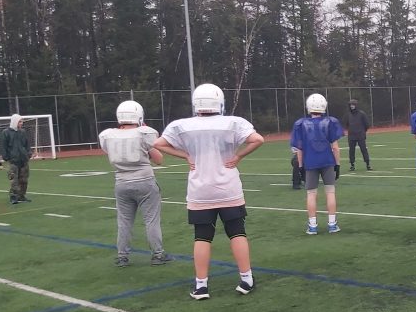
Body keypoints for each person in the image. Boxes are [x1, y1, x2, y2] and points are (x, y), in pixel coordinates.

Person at [154, 83, 265, 300]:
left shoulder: (181, 125)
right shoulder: (232, 122)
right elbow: (258, 139)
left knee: (202, 237)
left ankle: (201, 286)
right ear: (219, 102)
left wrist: (185, 155)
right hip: (228, 187)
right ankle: (246, 279)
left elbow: (159, 144)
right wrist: (239, 156)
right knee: (237, 232)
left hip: (200, 189)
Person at [98, 100, 173, 268]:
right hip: (144, 181)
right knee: (151, 220)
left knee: (124, 222)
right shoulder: (143, 134)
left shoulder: (108, 135)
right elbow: (159, 159)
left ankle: (122, 256)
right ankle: (158, 254)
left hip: (121, 182)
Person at [291, 93, 343, 236]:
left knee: (311, 194)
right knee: (330, 192)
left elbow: (299, 149)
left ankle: (312, 225)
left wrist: (300, 166)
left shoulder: (301, 124)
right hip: (327, 161)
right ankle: (332, 224)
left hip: (310, 162)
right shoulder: (330, 122)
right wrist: (337, 164)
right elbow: (336, 147)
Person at [1, 114, 31, 205]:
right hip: (13, 160)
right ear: (15, 121)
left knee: (24, 179)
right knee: (14, 180)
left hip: (23, 159)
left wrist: (28, 153)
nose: (21, 123)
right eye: (20, 121)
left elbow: (27, 144)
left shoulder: (23, 132)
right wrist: (6, 157)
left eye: (22, 121)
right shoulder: (6, 132)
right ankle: (13, 197)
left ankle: (22, 196)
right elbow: (4, 146)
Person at [345, 99, 372, 171]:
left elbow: (367, 124)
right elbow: (346, 124)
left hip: (360, 135)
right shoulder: (348, 114)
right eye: (350, 105)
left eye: (353, 105)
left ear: (356, 105)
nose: (352, 106)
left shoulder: (362, 114)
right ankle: (352, 165)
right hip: (351, 136)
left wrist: (363, 131)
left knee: (363, 149)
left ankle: (368, 164)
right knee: (351, 151)